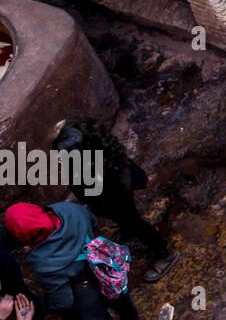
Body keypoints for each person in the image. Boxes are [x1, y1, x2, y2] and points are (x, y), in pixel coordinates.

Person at [51, 120, 180, 283]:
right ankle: (127, 226)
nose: (57, 159)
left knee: (136, 224)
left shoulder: (105, 175)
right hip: (110, 197)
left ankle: (165, 253)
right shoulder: (98, 151)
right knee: (126, 220)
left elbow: (99, 193)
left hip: (115, 199)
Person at [4, 201, 142, 320]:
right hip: (106, 269)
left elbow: (63, 301)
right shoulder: (68, 210)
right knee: (124, 306)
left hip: (86, 296)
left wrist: (45, 306)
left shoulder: (43, 261)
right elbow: (93, 222)